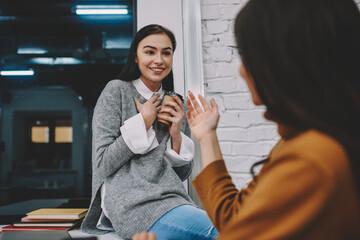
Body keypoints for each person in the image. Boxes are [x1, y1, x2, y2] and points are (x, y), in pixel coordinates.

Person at [185, 0, 360, 239]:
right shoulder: (318, 137)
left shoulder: (310, 161)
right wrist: (207, 136)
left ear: (282, 61)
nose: (241, 70)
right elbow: (235, 217)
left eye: (246, 54)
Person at [81, 24, 218, 240]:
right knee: (226, 230)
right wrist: (143, 121)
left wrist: (175, 134)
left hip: (173, 200)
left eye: (166, 52)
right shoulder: (116, 91)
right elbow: (103, 163)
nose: (159, 60)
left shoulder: (175, 103)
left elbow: (181, 175)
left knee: (231, 226)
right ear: (135, 56)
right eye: (149, 51)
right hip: (131, 206)